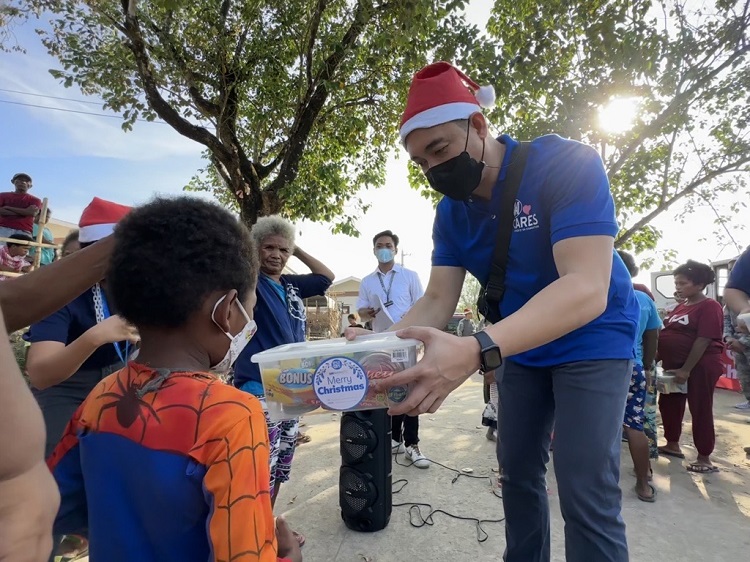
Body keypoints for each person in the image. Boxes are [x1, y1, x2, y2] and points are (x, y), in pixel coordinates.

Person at [354, 62, 639, 562]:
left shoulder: (566, 164)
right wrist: (373, 349)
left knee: (582, 482)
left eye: (439, 149)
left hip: (592, 338)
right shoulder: (450, 213)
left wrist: (477, 348)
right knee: (517, 474)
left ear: (479, 125)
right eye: (420, 162)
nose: (433, 169)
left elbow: (586, 286)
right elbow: (439, 298)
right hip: (521, 346)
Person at [47, 197, 301, 562]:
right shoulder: (233, 414)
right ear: (225, 310)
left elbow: (58, 503)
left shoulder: (103, 394)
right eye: (251, 308)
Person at [0, 227, 119, 561]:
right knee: (47, 489)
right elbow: (41, 373)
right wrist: (94, 337)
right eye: (71, 260)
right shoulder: (62, 298)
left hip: (116, 390)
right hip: (65, 391)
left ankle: (83, 533)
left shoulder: (135, 291)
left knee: (111, 484)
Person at [233, 215, 334, 544]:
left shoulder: (290, 285)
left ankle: (267, 525)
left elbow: (325, 277)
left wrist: (297, 248)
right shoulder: (252, 281)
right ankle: (254, 533)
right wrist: (252, 250)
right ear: (256, 249)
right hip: (258, 386)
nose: (276, 255)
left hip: (291, 388)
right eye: (269, 247)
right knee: (261, 465)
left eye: (283, 250)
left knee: (281, 465)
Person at [357, 229, 428, 468]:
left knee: (412, 389)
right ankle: (394, 438)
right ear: (374, 250)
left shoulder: (409, 276)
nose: (384, 248)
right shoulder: (367, 281)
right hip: (382, 343)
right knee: (388, 390)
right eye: (379, 245)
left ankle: (412, 444)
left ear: (396, 249)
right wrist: (366, 313)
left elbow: (423, 305)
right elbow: (361, 311)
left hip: (407, 341)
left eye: (388, 244)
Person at [658, 260, 724, 473]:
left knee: (700, 407)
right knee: (669, 402)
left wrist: (686, 369)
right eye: (676, 282)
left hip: (700, 365)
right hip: (674, 365)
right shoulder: (680, 306)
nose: (678, 287)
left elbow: (703, 339)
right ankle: (672, 443)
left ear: (699, 284)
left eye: (683, 283)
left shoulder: (709, 306)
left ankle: (704, 457)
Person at [618, 251, 661, 502]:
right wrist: (646, 365)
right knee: (635, 424)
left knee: (600, 425)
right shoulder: (644, 298)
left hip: (600, 366)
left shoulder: (599, 292)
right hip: (633, 365)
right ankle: (643, 484)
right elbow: (652, 335)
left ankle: (598, 482)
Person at [720, 246, 750, 453]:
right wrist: (731, 340)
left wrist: (744, 343)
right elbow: (727, 325)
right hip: (741, 352)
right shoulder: (734, 304)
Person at [0, 173, 42, 238]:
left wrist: (8, 208)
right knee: (2, 248)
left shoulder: (35, 200)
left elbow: (32, 213)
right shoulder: (2, 195)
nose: (23, 182)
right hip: (4, 229)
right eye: (19, 180)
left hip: (24, 231)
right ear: (13, 182)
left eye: (27, 181)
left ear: (30, 185)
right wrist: (25, 212)